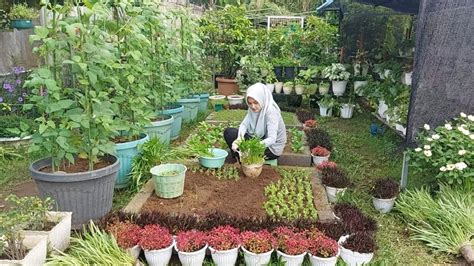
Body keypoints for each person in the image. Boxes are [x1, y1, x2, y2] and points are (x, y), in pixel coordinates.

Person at [224, 83, 287, 162]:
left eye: (255, 102)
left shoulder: (271, 111)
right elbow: (244, 124)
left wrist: (251, 147)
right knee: (229, 133)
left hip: (271, 149)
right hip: (260, 140)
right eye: (250, 103)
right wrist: (239, 139)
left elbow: (272, 139)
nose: (253, 106)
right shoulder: (253, 109)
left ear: (262, 99)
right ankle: (241, 158)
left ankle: (244, 160)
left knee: (245, 146)